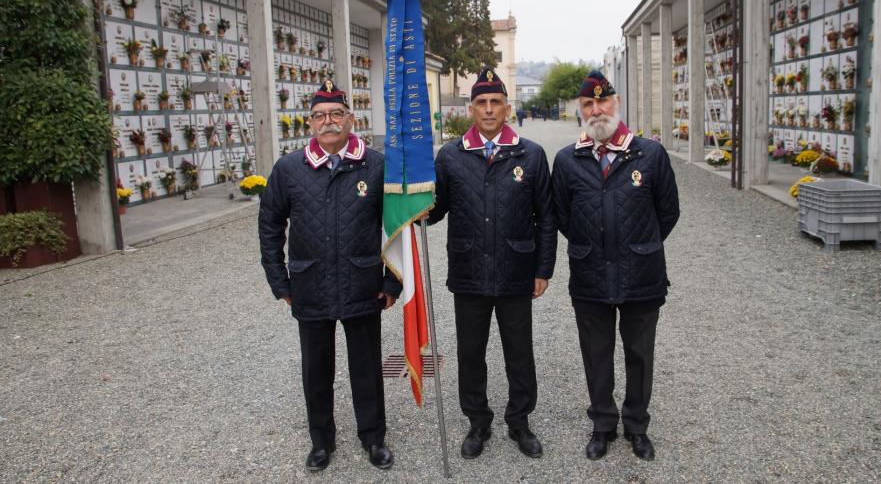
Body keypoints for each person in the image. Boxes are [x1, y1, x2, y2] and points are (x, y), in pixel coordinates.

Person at [259, 80, 399, 472]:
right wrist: (279, 281)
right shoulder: (289, 169)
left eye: (337, 114)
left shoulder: (376, 164)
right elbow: (270, 225)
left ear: (351, 119)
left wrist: (393, 282)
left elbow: (395, 227)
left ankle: (373, 438)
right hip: (310, 285)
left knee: (367, 368)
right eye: (320, 115)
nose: (329, 122)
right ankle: (321, 442)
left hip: (362, 284)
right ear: (310, 123)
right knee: (316, 371)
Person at [428, 66, 557, 460]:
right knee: (471, 352)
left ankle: (519, 422)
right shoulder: (450, 155)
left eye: (495, 102)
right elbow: (437, 209)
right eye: (481, 102)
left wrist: (543, 269)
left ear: (506, 108)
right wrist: (413, 204)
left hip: (516, 272)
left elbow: (547, 216)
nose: (488, 109)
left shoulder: (530, 154)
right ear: (470, 109)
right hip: (468, 272)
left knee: (519, 351)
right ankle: (477, 422)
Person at [551, 70, 680, 462]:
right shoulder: (568, 160)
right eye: (588, 104)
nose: (596, 109)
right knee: (596, 352)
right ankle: (603, 424)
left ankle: (637, 425)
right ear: (581, 110)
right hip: (590, 273)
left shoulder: (650, 154)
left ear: (616, 102)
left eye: (602, 101)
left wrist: (639, 245)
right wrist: (594, 244)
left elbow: (668, 212)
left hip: (642, 273)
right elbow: (562, 216)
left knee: (640, 353)